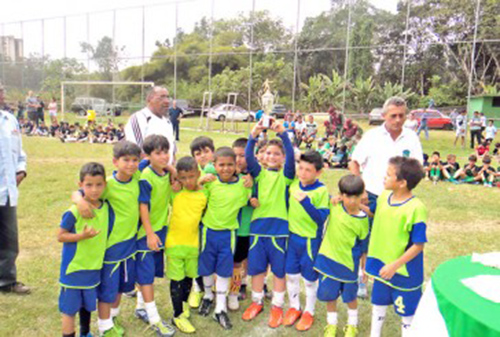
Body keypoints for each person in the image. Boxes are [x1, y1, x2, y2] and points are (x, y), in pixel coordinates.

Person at [349, 96, 423, 297]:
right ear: (384, 116)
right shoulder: (372, 136)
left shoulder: (411, 138)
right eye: (393, 116)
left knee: (397, 240)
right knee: (367, 241)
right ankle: (363, 279)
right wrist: (361, 189)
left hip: (400, 201)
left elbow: (417, 168)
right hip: (371, 196)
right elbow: (354, 163)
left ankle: (392, 274)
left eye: (402, 115)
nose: (398, 120)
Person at [73, 141, 142, 336]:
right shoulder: (107, 185)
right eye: (125, 160)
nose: (130, 164)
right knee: (108, 289)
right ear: (115, 161)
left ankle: (113, 317)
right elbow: (81, 192)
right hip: (112, 247)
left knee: (121, 286)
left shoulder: (136, 176)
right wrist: (79, 200)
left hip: (131, 244)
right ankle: (104, 327)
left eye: (134, 160)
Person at [366, 156, 427, 337]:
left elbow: (418, 245)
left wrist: (395, 265)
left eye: (388, 175)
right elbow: (374, 213)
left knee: (407, 314)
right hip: (381, 265)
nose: (384, 178)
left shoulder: (416, 208)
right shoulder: (384, 196)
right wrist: (350, 204)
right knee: (378, 305)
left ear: (402, 182)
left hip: (404, 272)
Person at [242, 121, 295, 328]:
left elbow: (291, 158)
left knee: (279, 271)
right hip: (258, 229)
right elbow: (248, 157)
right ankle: (256, 302)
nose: (271, 157)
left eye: (276, 154)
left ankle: (277, 305)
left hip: (279, 230)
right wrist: (253, 135)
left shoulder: (286, 176)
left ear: (282, 158)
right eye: (268, 153)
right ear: (262, 156)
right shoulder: (259, 174)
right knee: (257, 269)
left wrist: (283, 135)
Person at [57, 162, 114, 337]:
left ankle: (85, 333)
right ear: (80, 185)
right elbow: (60, 236)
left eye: (99, 185)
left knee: (87, 305)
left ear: (105, 184)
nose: (94, 190)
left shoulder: (106, 208)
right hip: (75, 269)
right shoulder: (74, 211)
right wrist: (81, 236)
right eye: (89, 185)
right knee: (69, 309)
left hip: (94, 268)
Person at [197, 147, 251, 330]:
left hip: (228, 235)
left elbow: (251, 197)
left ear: (236, 166)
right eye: (221, 165)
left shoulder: (243, 186)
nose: (226, 169)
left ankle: (220, 308)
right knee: (205, 267)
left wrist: (251, 182)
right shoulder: (210, 183)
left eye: (230, 165)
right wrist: (200, 181)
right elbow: (196, 196)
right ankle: (207, 296)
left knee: (223, 270)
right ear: (214, 166)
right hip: (208, 233)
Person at [316, 175, 369, 337]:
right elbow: (320, 192)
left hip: (348, 266)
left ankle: (352, 325)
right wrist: (336, 198)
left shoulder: (363, 220)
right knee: (329, 296)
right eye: (347, 196)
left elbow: (364, 248)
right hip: (328, 262)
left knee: (350, 298)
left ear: (362, 196)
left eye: (355, 197)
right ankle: (331, 324)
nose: (351, 201)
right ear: (341, 195)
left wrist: (364, 268)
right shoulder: (335, 206)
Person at [284, 151, 329, 331]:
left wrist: (306, 202)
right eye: (300, 168)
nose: (302, 173)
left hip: (310, 240)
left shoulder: (321, 190)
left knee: (310, 279)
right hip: (292, 238)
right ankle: (295, 307)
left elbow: (320, 218)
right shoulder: (294, 184)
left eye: (308, 170)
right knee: (291, 275)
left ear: (318, 172)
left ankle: (309, 311)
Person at [136, 135, 176, 337]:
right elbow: (143, 206)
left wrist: (172, 172)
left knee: (150, 273)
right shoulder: (146, 176)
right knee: (146, 277)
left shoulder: (165, 174)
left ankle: (140, 307)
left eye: (165, 151)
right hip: (146, 233)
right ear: (148, 156)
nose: (163, 156)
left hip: (161, 229)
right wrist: (149, 233)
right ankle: (154, 319)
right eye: (158, 153)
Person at [166, 157, 208, 333]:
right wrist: (173, 173)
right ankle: (177, 315)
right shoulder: (174, 192)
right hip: (174, 244)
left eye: (191, 176)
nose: (187, 182)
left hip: (193, 245)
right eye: (183, 178)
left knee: (189, 278)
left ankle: (183, 307)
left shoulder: (205, 193)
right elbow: (158, 167)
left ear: (198, 174)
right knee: (176, 281)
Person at [0, 83, 29, 295]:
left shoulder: (10, 119)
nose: (2, 94)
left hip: (7, 190)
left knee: (9, 239)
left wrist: (21, 171)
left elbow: (20, 152)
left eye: (2, 90)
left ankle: (7, 281)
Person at [228, 138, 255, 311]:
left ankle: (240, 285)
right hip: (229, 225)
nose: (238, 160)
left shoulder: (254, 176)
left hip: (245, 226)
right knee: (231, 259)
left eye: (242, 155)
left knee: (241, 258)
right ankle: (228, 285)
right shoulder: (225, 173)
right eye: (235, 155)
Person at [125, 86, 176, 164]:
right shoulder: (140, 118)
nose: (167, 101)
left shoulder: (167, 121)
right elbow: (136, 151)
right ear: (149, 99)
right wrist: (165, 169)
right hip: (146, 173)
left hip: (165, 174)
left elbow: (172, 151)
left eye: (167, 97)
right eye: (161, 97)